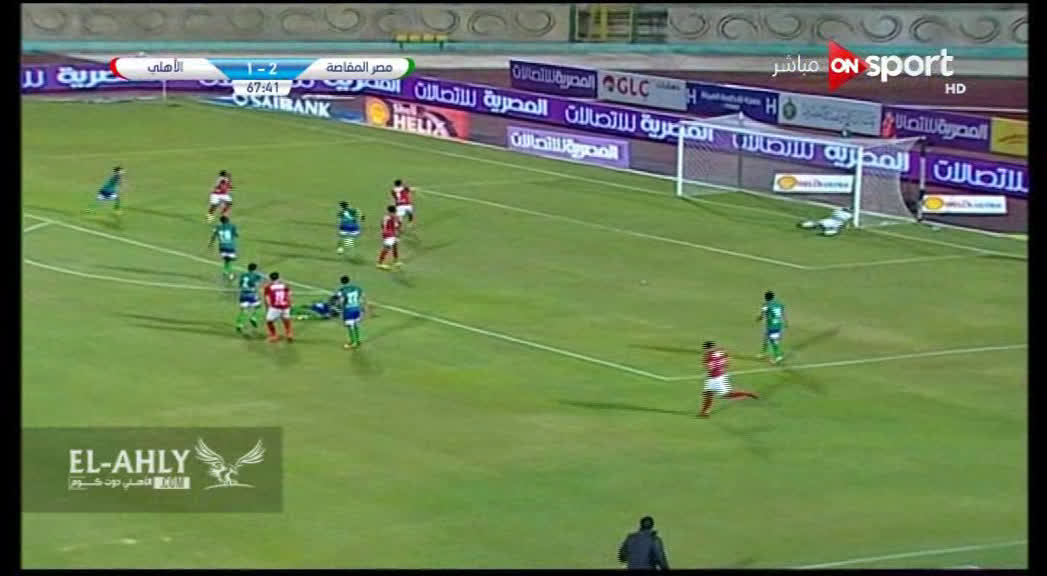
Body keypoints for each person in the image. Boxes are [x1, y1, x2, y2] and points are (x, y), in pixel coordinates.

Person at [699, 341, 758, 418]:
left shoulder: (709, 357)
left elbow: (710, 368)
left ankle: (747, 393)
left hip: (716, 378)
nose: (705, 350)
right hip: (717, 376)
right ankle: (704, 412)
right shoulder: (719, 352)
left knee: (727, 395)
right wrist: (725, 364)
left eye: (705, 349)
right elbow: (726, 355)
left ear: (708, 348)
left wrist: (705, 362)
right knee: (708, 394)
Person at [263, 271, 294, 342]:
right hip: (285, 306)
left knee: (269, 321)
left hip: (275, 306)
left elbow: (267, 298)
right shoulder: (285, 285)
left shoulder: (268, 286)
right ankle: (289, 334)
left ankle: (274, 335)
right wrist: (290, 303)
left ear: (270, 278)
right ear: (279, 277)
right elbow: (289, 294)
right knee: (286, 319)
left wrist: (268, 307)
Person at [756, 291, 786, 364]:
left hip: (771, 326)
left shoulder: (766, 305)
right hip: (778, 325)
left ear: (766, 298)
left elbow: (762, 314)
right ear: (773, 297)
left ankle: (778, 357)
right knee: (766, 338)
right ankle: (763, 353)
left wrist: (759, 318)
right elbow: (782, 313)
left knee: (773, 341)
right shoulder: (779, 304)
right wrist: (785, 322)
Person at [235, 262, 264, 333]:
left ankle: (239, 325)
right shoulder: (256, 275)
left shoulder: (243, 275)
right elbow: (257, 284)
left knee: (244, 310)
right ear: (255, 269)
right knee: (258, 306)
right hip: (251, 294)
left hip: (243, 294)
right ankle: (253, 317)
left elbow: (240, 284)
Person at [208, 215, 239, 280]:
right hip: (230, 246)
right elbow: (236, 235)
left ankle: (225, 272)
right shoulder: (232, 226)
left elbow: (213, 236)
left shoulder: (217, 227)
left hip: (222, 247)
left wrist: (210, 244)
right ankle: (230, 274)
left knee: (227, 260)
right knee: (230, 260)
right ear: (227, 220)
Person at [376, 205, 402, 270]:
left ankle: (396, 261)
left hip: (388, 233)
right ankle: (379, 263)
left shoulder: (385, 217)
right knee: (386, 248)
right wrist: (398, 230)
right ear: (394, 211)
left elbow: (382, 224)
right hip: (390, 234)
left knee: (395, 245)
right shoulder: (393, 217)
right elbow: (397, 226)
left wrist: (384, 230)